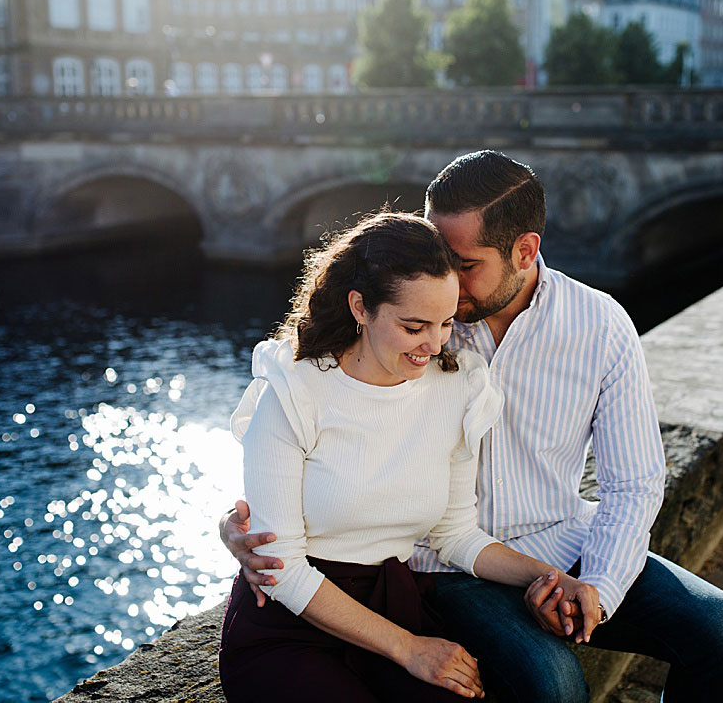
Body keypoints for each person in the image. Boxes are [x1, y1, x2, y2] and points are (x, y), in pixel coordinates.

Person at [226, 152, 723, 703]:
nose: (446, 285)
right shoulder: (419, 324)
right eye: (437, 253)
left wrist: (595, 589)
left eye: (461, 263)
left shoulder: (599, 325)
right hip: (442, 570)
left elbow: (633, 483)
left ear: (524, 251)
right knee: (553, 687)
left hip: (559, 541)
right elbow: (316, 413)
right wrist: (240, 522)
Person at [218, 211, 602, 703]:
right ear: (361, 307)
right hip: (290, 627)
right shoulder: (293, 392)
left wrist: (553, 579)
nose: (435, 344)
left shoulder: (458, 387)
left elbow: (455, 535)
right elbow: (281, 564)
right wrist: (410, 649)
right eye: (414, 326)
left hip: (395, 606)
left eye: (444, 323)